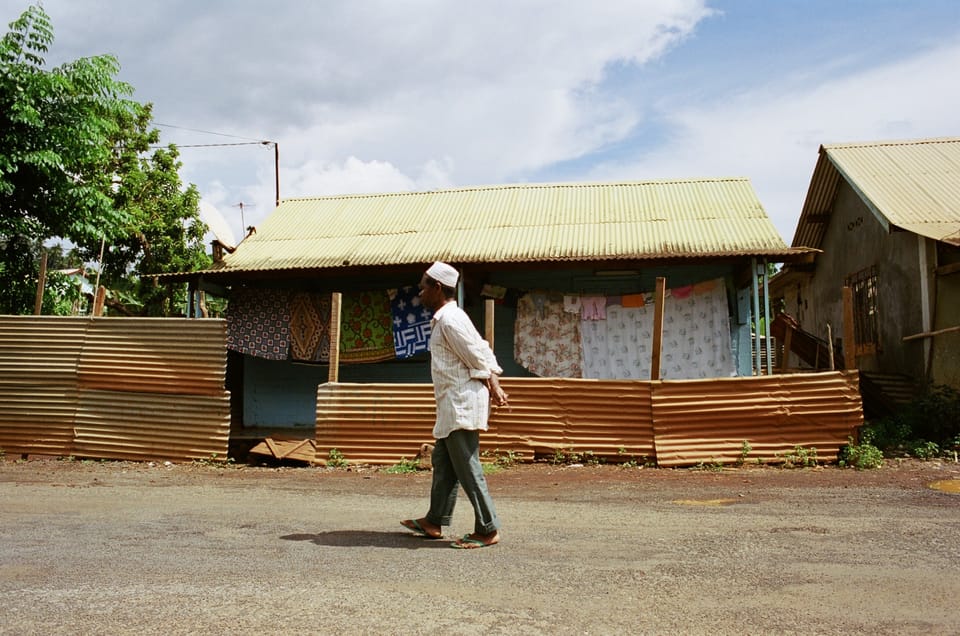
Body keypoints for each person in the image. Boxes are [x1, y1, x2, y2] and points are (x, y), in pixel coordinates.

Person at [400, 261, 509, 549]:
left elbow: (477, 353)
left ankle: (488, 528)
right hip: (452, 403)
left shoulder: (450, 320)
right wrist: (493, 382)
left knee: (467, 466)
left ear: (437, 288)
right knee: (444, 464)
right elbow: (481, 347)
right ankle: (434, 521)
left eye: (424, 286)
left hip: (461, 404)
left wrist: (493, 382)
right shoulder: (446, 318)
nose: (420, 292)